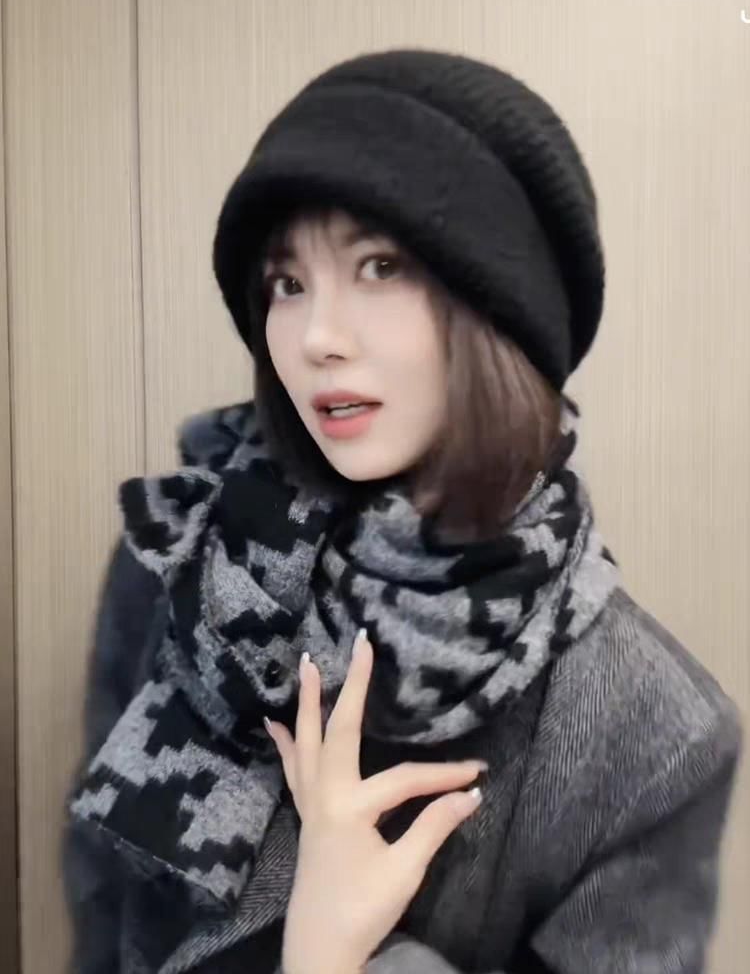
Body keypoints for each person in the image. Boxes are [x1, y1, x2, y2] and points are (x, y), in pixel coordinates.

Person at [61, 47, 743, 974]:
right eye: (286, 283)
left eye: (380, 266)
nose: (316, 337)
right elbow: (105, 928)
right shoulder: (187, 566)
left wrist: (340, 958)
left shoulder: (654, 733)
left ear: (502, 309)